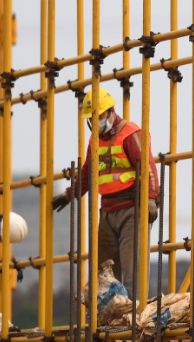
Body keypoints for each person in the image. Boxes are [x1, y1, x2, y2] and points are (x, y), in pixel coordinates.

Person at [51, 87, 160, 298]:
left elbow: (149, 168)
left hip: (132, 210)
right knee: (106, 273)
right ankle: (111, 319)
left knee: (132, 273)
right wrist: (70, 193)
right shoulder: (94, 140)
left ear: (111, 111)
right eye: (92, 118)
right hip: (107, 211)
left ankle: (133, 319)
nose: (95, 121)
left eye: (98, 115)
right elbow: (87, 173)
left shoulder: (130, 133)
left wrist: (151, 199)